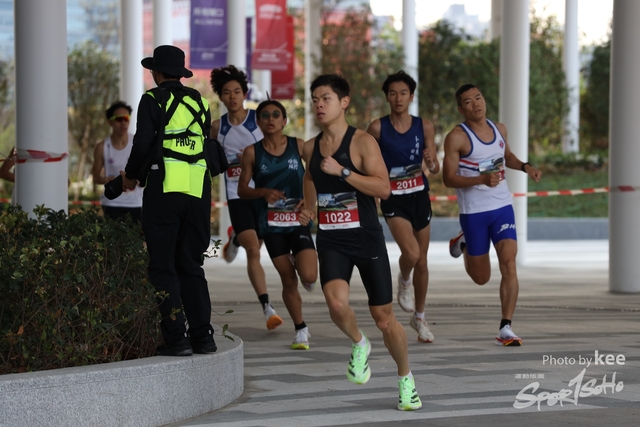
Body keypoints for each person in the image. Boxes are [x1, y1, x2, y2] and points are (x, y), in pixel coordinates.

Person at [299, 74, 422, 411]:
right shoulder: (310, 147)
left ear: (344, 102)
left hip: (366, 238)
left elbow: (384, 188)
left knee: (384, 318)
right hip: (331, 238)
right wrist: (309, 206)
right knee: (336, 303)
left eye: (325, 98)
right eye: (315, 99)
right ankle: (359, 342)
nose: (319, 105)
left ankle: (406, 379)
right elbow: (309, 176)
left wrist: (343, 172)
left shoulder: (363, 142)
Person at [120, 45, 217, 356]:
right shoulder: (200, 101)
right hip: (198, 191)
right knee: (191, 265)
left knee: (163, 266)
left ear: (156, 72)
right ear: (180, 73)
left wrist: (130, 176)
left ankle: (177, 340)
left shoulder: (152, 99)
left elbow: (143, 143)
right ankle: (203, 337)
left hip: (165, 189)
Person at [442, 83, 542, 347]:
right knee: (481, 278)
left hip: (501, 208)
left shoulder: (500, 129)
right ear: (460, 108)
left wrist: (526, 167)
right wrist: (481, 179)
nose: (476, 104)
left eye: (478, 97)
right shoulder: (457, 137)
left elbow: (506, 156)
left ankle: (506, 327)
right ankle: (464, 244)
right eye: (468, 101)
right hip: (474, 213)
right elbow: (448, 179)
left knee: (509, 262)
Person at [238, 99, 318, 350]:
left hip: (298, 220)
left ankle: (300, 262)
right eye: (265, 115)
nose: (270, 119)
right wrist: (262, 192)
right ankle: (301, 329)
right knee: (288, 279)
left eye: (276, 115)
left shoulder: (299, 146)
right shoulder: (252, 152)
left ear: (284, 121)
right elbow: (242, 190)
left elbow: (315, 176)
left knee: (309, 275)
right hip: (271, 225)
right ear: (258, 122)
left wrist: (309, 203)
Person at [366, 70, 439, 344]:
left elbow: (435, 167)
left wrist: (431, 162)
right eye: (393, 93)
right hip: (393, 197)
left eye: (403, 93)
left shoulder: (424, 126)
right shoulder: (377, 128)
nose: (398, 98)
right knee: (411, 253)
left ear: (411, 96)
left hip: (419, 195)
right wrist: (373, 188)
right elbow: (363, 159)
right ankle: (404, 279)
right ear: (387, 97)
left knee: (423, 260)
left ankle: (419, 317)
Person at [210, 65, 284, 331]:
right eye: (226, 92)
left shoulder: (259, 119)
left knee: (257, 244)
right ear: (221, 96)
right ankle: (267, 308)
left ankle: (236, 238)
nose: (232, 97)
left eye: (237, 92)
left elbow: (277, 148)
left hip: (263, 193)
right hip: (237, 194)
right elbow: (209, 158)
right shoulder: (217, 127)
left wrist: (254, 157)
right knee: (254, 250)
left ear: (244, 94)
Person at [92, 101, 143, 222]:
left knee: (137, 235)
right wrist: (109, 180)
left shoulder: (138, 143)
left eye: (126, 118)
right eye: (119, 119)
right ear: (110, 122)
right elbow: (95, 177)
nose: (123, 122)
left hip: (136, 203)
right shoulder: (101, 147)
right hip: (112, 203)